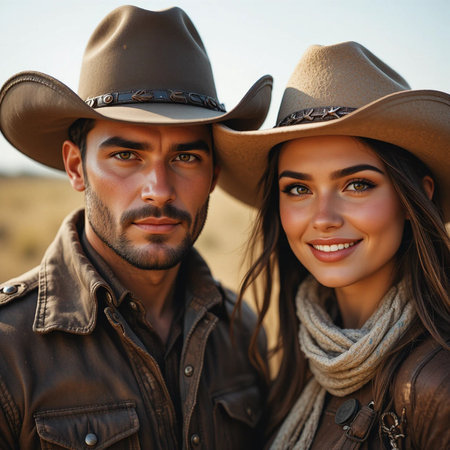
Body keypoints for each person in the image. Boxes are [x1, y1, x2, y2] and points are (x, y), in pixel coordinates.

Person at [0, 5, 273, 449]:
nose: (159, 190)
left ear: (214, 175)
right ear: (76, 167)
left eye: (186, 157)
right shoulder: (9, 348)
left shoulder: (242, 332)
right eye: (126, 156)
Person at [213, 41, 450, 449]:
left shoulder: (437, 387)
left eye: (357, 184)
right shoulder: (296, 364)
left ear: (416, 199)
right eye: (299, 188)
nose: (323, 217)